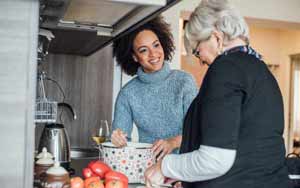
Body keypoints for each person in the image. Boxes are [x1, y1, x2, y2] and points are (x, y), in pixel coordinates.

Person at [144, 0, 289, 188]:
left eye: (197, 51)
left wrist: (164, 167)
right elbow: (246, 148)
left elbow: (215, 160)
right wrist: (184, 175)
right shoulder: (261, 71)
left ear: (216, 38)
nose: (201, 60)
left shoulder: (225, 68)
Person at [111, 16, 198, 160]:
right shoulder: (127, 93)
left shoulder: (184, 82)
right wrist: (117, 139)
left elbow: (198, 131)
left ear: (163, 44)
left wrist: (173, 142)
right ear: (134, 56)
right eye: (144, 50)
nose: (153, 54)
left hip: (184, 168)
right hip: (147, 169)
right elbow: (122, 141)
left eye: (156, 45)